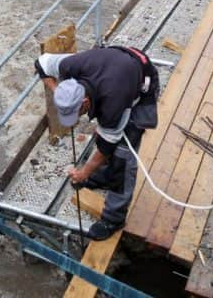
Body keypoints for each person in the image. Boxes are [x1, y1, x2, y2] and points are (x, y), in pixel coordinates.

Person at [35, 45, 159, 240]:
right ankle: (103, 176)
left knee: (122, 158)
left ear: (85, 102)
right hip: (114, 66)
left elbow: (107, 145)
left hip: (140, 82)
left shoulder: (113, 101)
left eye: (77, 113)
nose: (76, 118)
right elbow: (41, 64)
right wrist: (58, 91)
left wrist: (84, 173)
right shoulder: (69, 66)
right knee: (105, 138)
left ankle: (114, 219)